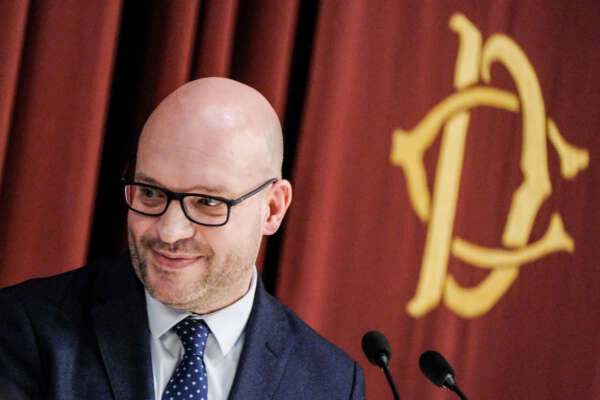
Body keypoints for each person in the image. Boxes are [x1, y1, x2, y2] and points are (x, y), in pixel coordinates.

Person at [0, 78, 365, 400]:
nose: (169, 231)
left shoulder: (330, 383)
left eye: (207, 202)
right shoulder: (27, 328)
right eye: (150, 193)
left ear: (272, 209)